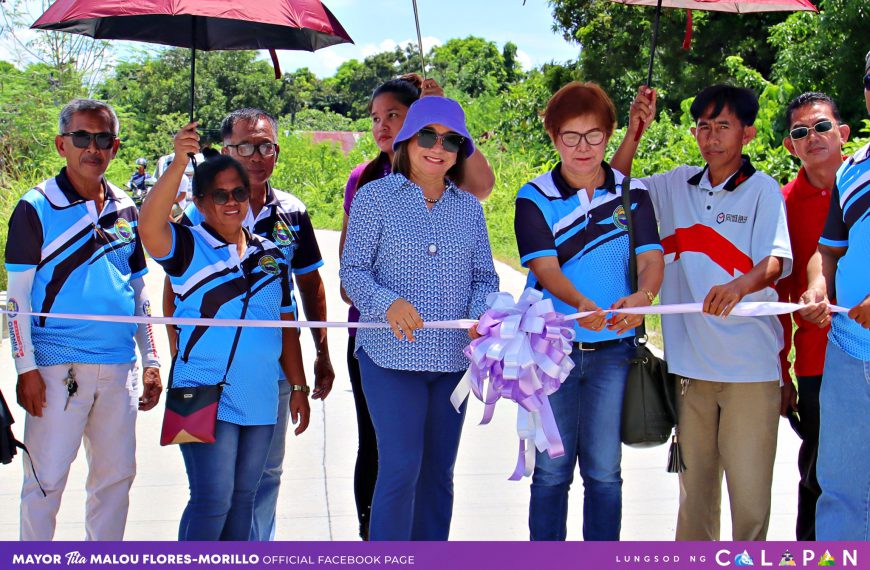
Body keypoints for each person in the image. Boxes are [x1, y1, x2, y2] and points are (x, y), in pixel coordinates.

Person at [613, 85, 793, 541]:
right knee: (695, 498)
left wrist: (739, 286)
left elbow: (775, 261)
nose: (711, 137)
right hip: (689, 369)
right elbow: (612, 185)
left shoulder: (763, 190)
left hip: (749, 370)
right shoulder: (674, 184)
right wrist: (635, 131)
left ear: (747, 134)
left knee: (750, 501)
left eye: (724, 127)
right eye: (704, 127)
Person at [338, 74, 495, 540]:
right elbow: (353, 273)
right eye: (427, 136)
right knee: (401, 468)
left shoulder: (468, 208)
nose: (438, 148)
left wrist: (479, 313)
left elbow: (485, 277)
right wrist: (386, 304)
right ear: (407, 141)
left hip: (453, 362)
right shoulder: (373, 198)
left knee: (438, 474)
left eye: (451, 141)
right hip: (389, 358)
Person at [166, 108, 334, 541]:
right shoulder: (196, 220)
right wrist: (183, 360)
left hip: (269, 377)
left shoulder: (291, 214)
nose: (257, 155)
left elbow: (304, 292)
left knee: (259, 483)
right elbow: (174, 296)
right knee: (212, 494)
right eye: (245, 146)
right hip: (209, 381)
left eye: (265, 146)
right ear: (226, 151)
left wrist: (318, 358)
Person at [5, 98, 162, 540]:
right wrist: (26, 369)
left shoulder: (126, 206)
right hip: (56, 370)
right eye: (81, 137)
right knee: (45, 482)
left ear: (115, 147)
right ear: (61, 144)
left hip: (119, 369)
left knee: (114, 482)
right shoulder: (34, 207)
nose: (92, 147)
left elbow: (138, 290)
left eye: (103, 139)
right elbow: (16, 300)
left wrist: (150, 360)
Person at [514, 82, 664, 541]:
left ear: (609, 134)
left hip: (614, 355)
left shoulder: (632, 194)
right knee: (552, 473)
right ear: (554, 137)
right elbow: (545, 267)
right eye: (570, 137)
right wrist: (580, 306)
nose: (583, 148)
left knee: (604, 473)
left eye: (594, 135)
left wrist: (644, 297)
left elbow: (651, 259)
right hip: (551, 352)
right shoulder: (533, 196)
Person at [799, 51, 870, 541]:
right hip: (847, 351)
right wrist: (816, 285)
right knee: (840, 491)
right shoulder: (853, 170)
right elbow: (826, 250)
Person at [777, 92, 850, 541]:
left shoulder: (862, 184)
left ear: (842, 133)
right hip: (818, 362)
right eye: (801, 132)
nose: (813, 137)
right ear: (791, 146)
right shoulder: (781, 203)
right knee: (821, 474)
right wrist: (780, 373)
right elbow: (780, 295)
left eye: (821, 127)